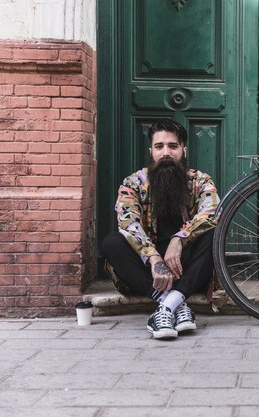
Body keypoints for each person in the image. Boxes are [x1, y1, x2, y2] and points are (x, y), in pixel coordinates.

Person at [102, 118, 219, 340]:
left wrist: (179, 240)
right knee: (112, 242)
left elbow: (211, 213)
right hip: (148, 272)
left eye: (172, 146)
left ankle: (169, 305)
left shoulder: (200, 181)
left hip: (186, 267)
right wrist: (154, 258)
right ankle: (175, 303)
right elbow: (128, 223)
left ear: (183, 150)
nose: (166, 152)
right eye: (159, 146)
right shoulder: (133, 183)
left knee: (213, 235)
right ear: (151, 151)